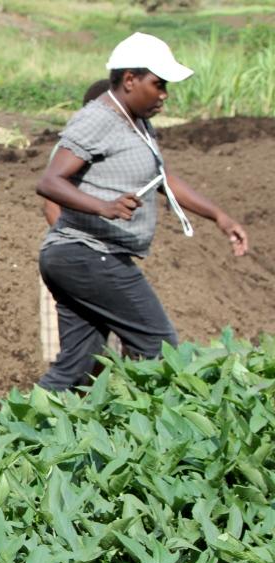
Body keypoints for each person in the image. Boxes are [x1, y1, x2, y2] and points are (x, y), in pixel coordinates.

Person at [35, 32, 249, 392]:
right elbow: (50, 183)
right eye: (158, 84)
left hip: (82, 256)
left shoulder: (135, 122)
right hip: (88, 252)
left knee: (79, 366)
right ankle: (162, 436)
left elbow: (161, 177)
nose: (164, 94)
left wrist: (219, 216)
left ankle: (21, 436)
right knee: (160, 347)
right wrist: (104, 206)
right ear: (130, 79)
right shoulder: (100, 118)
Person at [39, 79, 113, 363]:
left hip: (103, 258)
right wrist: (79, 246)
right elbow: (51, 205)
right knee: (72, 354)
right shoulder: (74, 146)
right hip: (74, 255)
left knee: (107, 355)